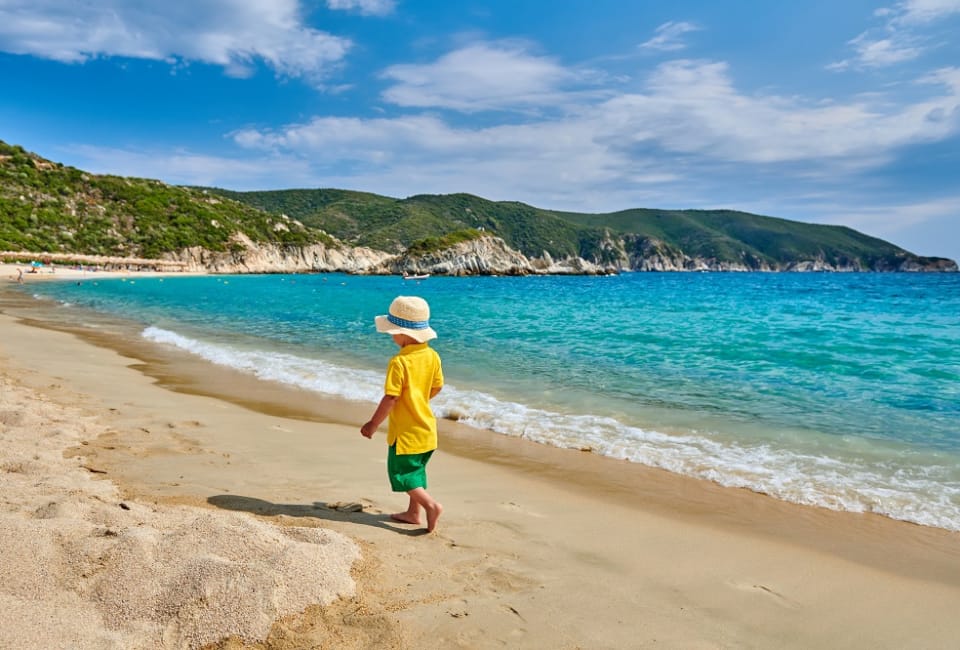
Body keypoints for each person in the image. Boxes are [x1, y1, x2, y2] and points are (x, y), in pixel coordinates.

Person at [361, 295, 445, 532]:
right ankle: (412, 513)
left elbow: (391, 397)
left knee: (402, 474)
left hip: (406, 433)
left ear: (405, 334)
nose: (391, 337)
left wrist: (372, 424)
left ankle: (431, 506)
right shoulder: (432, 356)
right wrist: (418, 400)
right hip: (427, 430)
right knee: (416, 472)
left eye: (392, 333)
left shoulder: (399, 362)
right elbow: (437, 386)